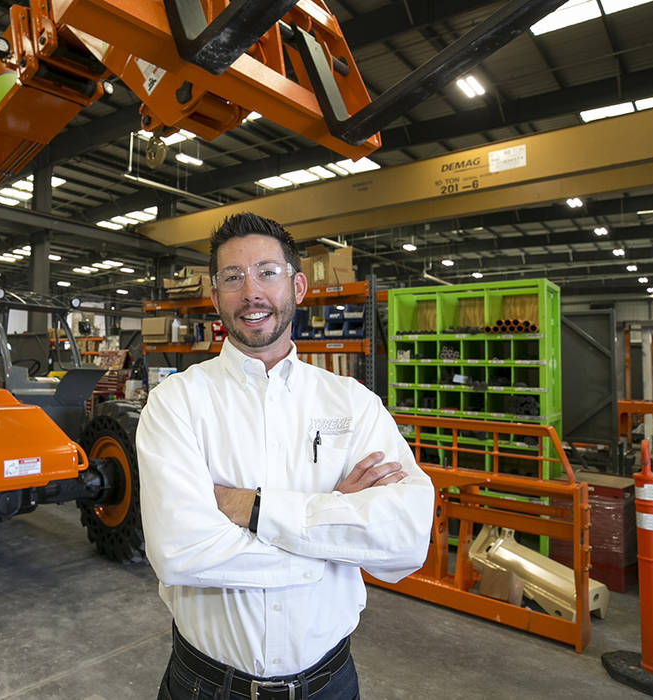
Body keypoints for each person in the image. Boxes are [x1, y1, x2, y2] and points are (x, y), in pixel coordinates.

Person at [136, 213, 434, 700]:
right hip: (207, 686)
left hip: (328, 685)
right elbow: (179, 552)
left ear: (297, 286)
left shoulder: (353, 403)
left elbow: (405, 538)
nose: (251, 292)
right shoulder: (176, 403)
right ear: (215, 296)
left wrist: (251, 507)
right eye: (233, 277)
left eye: (267, 272)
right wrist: (332, 537)